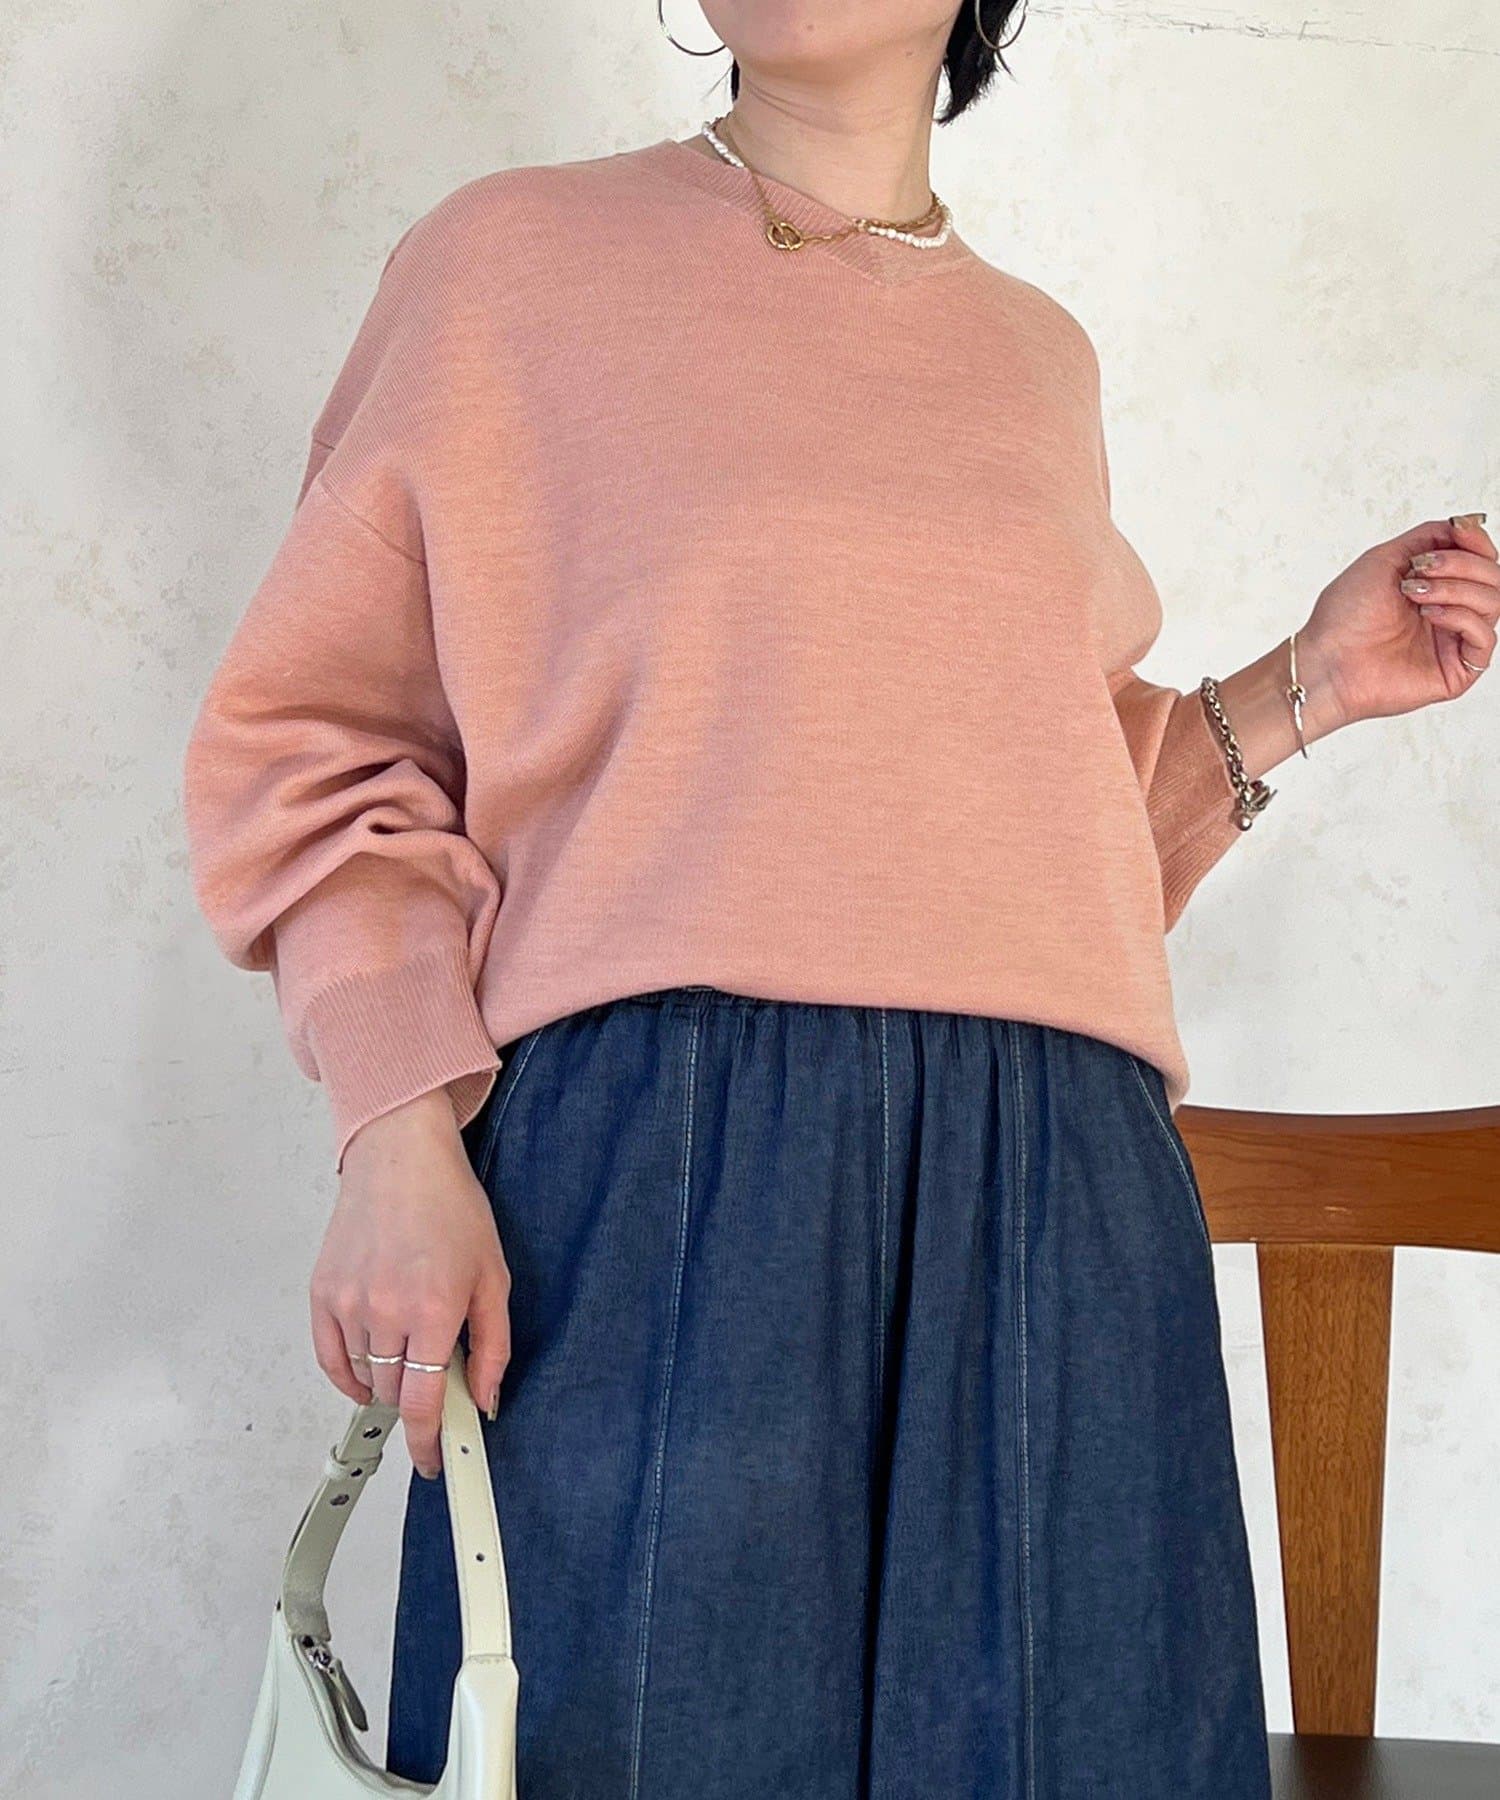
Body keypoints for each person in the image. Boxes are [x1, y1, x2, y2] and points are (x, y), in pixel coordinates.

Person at [182, 3, 1495, 1794]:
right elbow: (330, 736)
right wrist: (395, 1127)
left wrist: (1310, 684)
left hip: (1060, 1196)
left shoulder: (1037, 356)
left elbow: (1012, 837)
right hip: (655, 1180)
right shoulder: (509, 266)